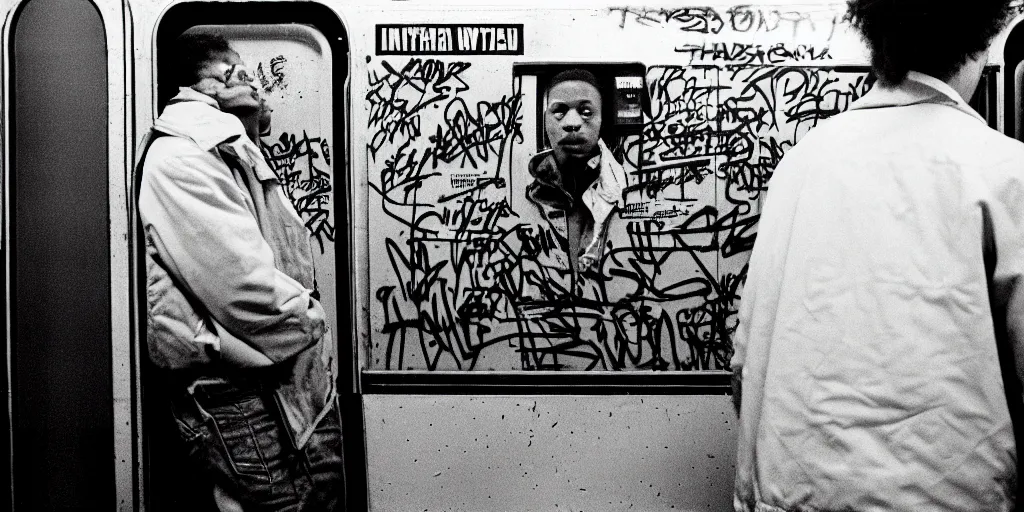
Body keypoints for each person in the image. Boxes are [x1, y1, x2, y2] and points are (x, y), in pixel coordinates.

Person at [731, 1, 1024, 510]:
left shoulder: (801, 163)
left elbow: (745, 363)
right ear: (982, 42)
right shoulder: (1004, 170)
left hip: (787, 494)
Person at [137, 30, 344, 510]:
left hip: (267, 389)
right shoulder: (185, 155)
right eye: (243, 74)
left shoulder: (226, 150)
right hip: (245, 396)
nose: (259, 87)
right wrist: (314, 323)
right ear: (211, 84)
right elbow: (242, 292)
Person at [514, 68, 629, 369]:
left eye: (587, 112)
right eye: (559, 112)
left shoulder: (621, 190)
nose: (573, 123)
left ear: (604, 121)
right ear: (544, 123)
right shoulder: (527, 198)